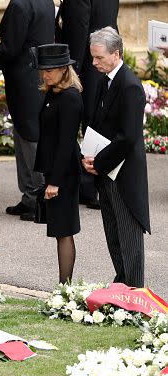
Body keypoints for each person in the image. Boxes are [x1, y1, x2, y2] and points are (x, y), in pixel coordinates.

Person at [82, 27, 150, 288]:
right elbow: (99, 124)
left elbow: (128, 137)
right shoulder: (106, 80)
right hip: (106, 171)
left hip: (123, 174)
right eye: (93, 57)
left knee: (129, 235)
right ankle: (121, 283)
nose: (94, 63)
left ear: (116, 54)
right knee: (113, 233)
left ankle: (134, 289)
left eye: (99, 58)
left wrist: (98, 163)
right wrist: (87, 156)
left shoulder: (130, 85)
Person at [0, 0, 55, 221]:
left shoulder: (21, 4)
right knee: (27, 133)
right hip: (37, 75)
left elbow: (11, 47)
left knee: (29, 135)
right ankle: (29, 196)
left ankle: (36, 198)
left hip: (24, 78)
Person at [55, 0, 119, 210]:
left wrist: (71, 69)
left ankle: (83, 185)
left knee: (78, 123)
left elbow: (80, 29)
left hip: (86, 65)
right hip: (106, 64)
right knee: (97, 123)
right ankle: (94, 184)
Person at [32, 44, 83, 284]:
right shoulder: (53, 93)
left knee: (64, 230)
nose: (45, 74)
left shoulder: (71, 97)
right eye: (43, 70)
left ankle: (65, 287)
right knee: (58, 229)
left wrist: (55, 182)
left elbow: (65, 143)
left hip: (64, 174)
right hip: (54, 169)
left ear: (65, 69)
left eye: (51, 70)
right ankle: (64, 286)